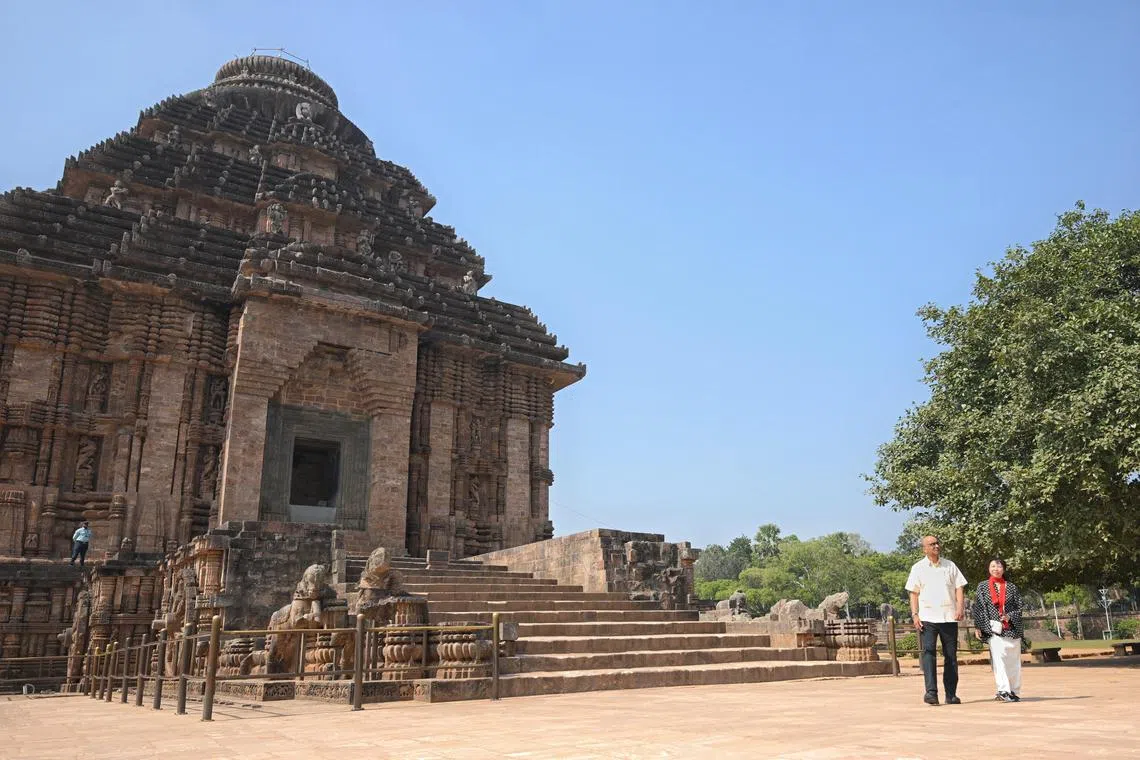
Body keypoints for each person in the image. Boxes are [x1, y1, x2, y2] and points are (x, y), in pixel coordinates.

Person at [905, 535, 968, 705]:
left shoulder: (950, 565)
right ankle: (931, 692)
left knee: (951, 656)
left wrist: (960, 608)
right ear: (924, 549)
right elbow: (913, 593)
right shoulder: (918, 568)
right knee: (929, 654)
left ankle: (951, 694)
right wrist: (915, 614)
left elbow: (959, 587)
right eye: (932, 544)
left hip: (949, 617)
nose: (936, 546)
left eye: (937, 543)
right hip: (927, 618)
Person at [971, 558, 1024, 702]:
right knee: (999, 660)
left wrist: (1009, 616)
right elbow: (979, 607)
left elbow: (1019, 607)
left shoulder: (1011, 587)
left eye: (999, 566)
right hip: (993, 628)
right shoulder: (982, 586)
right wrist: (978, 626)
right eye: (993, 566)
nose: (996, 569)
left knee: (1013, 662)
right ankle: (1003, 690)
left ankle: (1013, 690)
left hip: (1012, 629)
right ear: (989, 569)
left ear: (1004, 569)